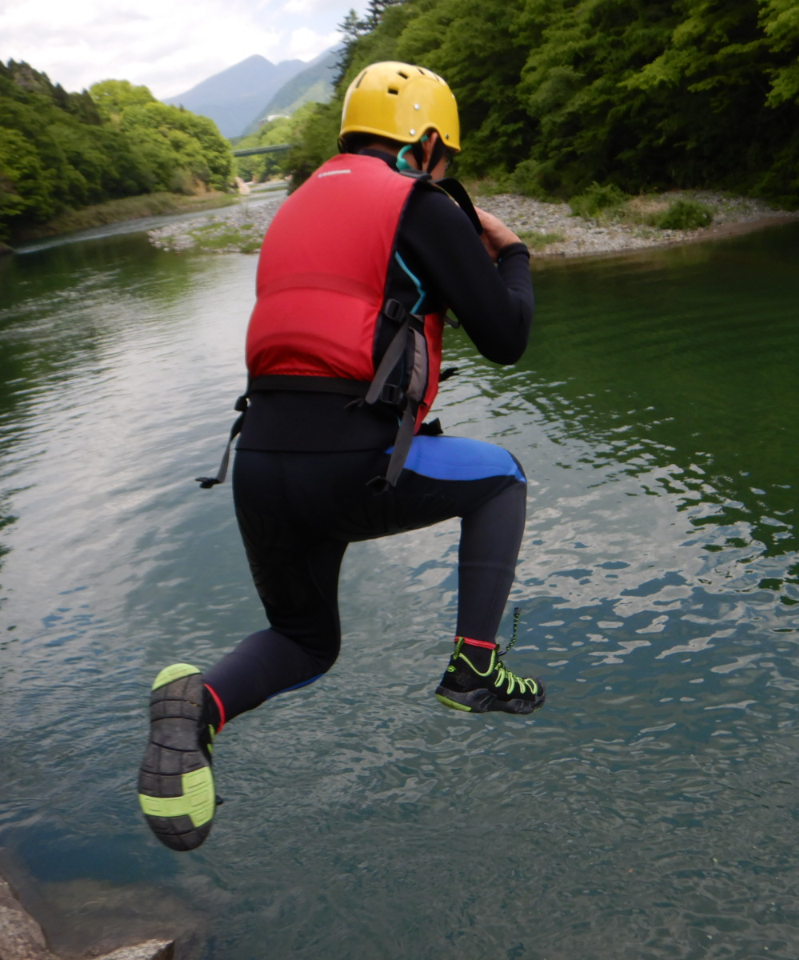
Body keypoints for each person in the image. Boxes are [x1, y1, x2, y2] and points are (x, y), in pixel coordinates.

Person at [137, 61, 544, 852]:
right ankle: (475, 670)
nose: (446, 170)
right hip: (349, 464)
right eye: (446, 157)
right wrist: (514, 252)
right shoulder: (418, 203)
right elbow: (508, 337)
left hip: (257, 463)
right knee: (503, 480)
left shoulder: (294, 206)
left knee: (303, 642)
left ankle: (201, 704)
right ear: (426, 142)